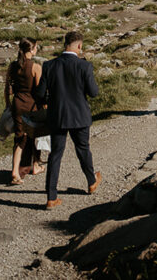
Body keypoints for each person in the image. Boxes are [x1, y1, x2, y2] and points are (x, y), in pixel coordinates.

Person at [32, 31, 102, 210]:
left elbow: (39, 94)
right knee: (83, 149)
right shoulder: (84, 66)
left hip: (58, 116)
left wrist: (51, 102)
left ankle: (51, 197)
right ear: (79, 46)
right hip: (79, 116)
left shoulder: (49, 65)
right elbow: (94, 92)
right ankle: (91, 181)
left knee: (55, 155)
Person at [4, 37, 45, 185]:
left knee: (19, 137)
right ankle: (28, 167)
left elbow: (7, 88)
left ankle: (21, 168)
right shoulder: (35, 67)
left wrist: (8, 104)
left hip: (17, 104)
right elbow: (40, 92)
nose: (37, 50)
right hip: (31, 106)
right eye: (36, 48)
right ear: (31, 49)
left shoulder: (13, 66)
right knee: (33, 136)